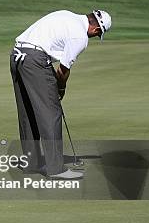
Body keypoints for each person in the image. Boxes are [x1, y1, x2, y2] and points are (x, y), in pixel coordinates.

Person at [10, 9, 112, 180]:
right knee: (51, 113)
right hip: (35, 60)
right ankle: (56, 168)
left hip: (16, 55)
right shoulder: (80, 36)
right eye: (97, 35)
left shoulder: (66, 14)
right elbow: (63, 69)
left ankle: (31, 162)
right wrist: (61, 89)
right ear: (96, 30)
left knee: (27, 111)